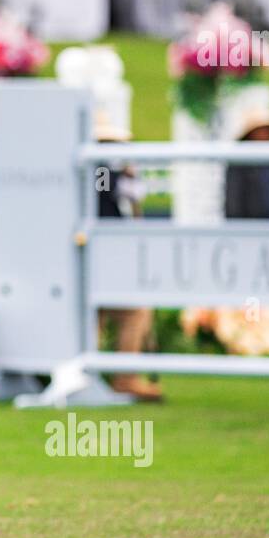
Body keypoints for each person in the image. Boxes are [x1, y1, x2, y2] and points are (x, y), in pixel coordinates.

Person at [92, 115, 162, 402]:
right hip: (100, 260)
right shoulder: (100, 173)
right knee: (133, 312)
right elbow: (111, 197)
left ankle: (114, 376)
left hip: (104, 259)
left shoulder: (102, 171)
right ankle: (123, 378)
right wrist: (127, 179)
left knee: (115, 314)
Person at [225, 108, 269, 220]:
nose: (268, 133)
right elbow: (233, 201)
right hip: (249, 228)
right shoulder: (239, 160)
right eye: (263, 129)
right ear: (252, 132)